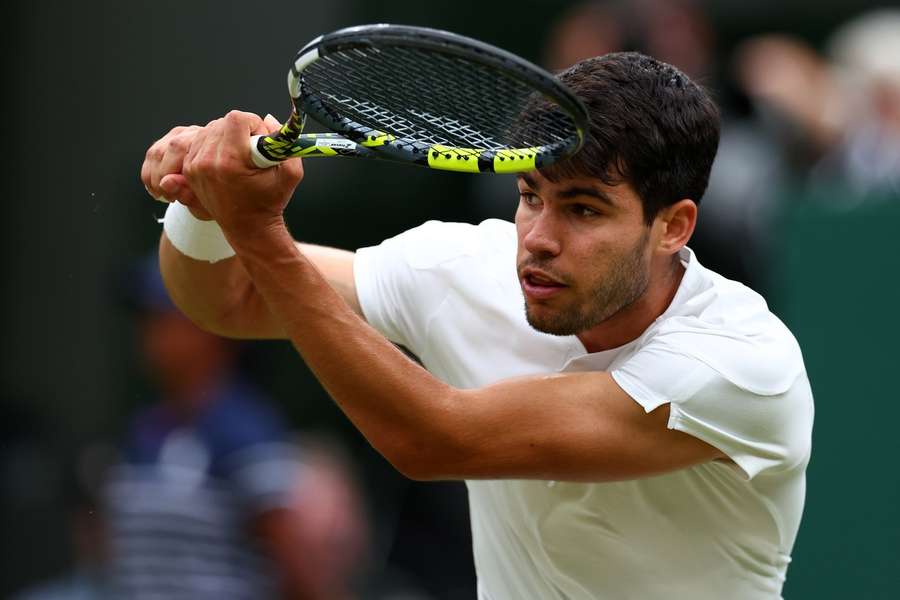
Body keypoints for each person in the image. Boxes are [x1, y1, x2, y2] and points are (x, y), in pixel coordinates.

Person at [141, 52, 814, 599]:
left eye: (582, 210)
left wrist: (255, 229)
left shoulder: (739, 364)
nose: (539, 238)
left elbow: (435, 439)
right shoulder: (462, 266)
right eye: (530, 197)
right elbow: (225, 302)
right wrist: (202, 208)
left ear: (673, 226)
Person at [106, 255, 367, 600]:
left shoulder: (245, 432)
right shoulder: (143, 430)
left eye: (161, 318)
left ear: (207, 324)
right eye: (144, 319)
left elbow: (297, 570)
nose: (147, 333)